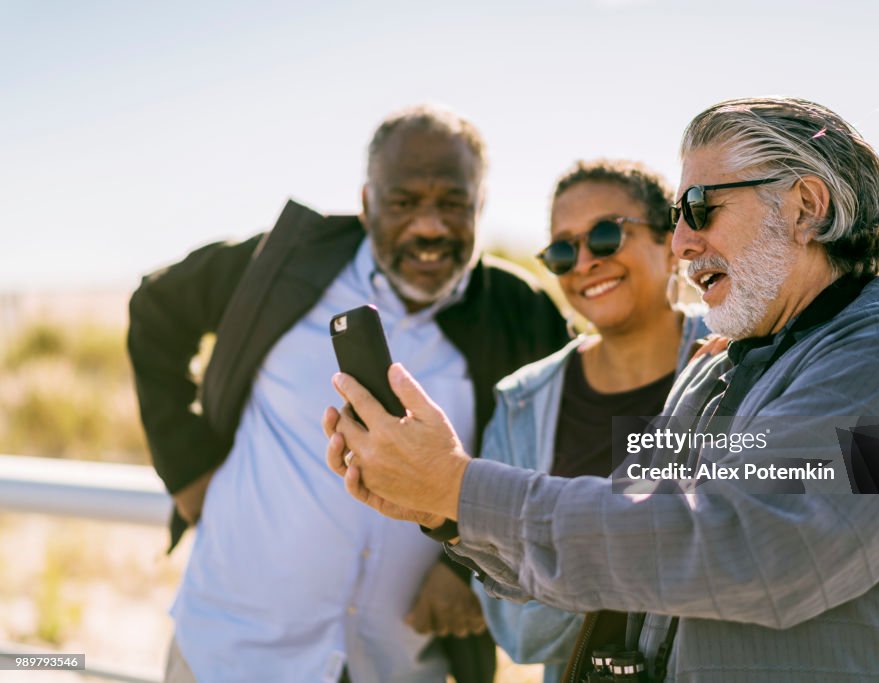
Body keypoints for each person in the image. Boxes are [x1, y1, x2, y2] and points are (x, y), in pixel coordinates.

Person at [323, 97, 879, 682]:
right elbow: (632, 535)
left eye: (701, 208)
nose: (679, 242)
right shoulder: (713, 372)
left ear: (806, 207)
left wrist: (459, 488)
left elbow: (748, 547)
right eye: (677, 213)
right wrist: (442, 509)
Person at [127, 104, 569, 683]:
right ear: (366, 203)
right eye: (404, 202)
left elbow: (556, 442)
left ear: (480, 204)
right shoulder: (280, 266)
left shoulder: (521, 312)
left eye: (453, 204)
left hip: (402, 664)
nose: (430, 227)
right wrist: (186, 468)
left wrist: (468, 572)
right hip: (229, 652)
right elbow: (154, 311)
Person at [450, 159, 712, 682]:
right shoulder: (522, 400)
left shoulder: (749, 356)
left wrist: (565, 558)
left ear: (670, 242)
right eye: (564, 250)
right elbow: (518, 628)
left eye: (606, 235)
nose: (584, 262)